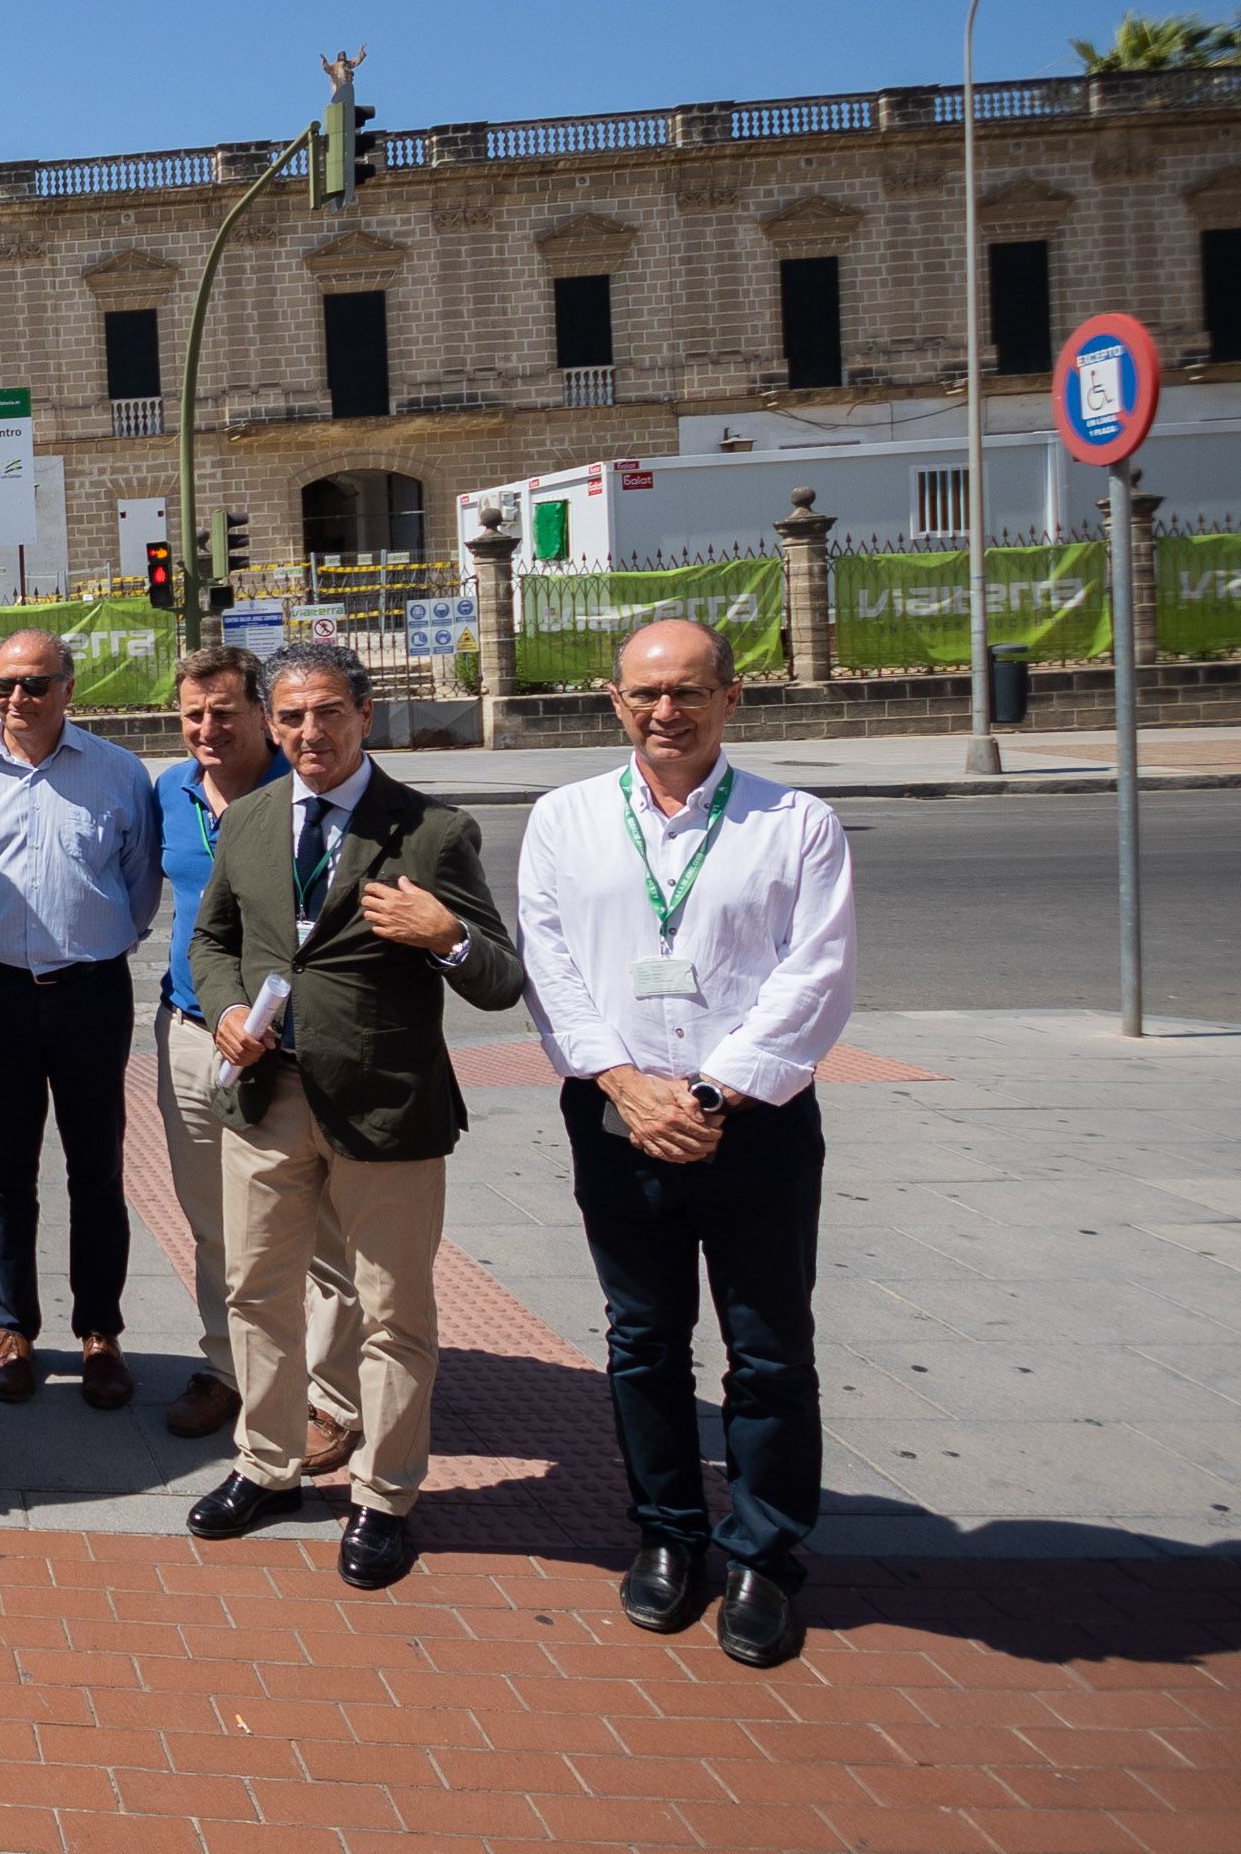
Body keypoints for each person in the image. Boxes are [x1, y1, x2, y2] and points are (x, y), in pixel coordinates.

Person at [516, 619, 855, 1669]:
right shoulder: (564, 819)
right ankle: (668, 1533)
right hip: (616, 1122)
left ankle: (764, 1553)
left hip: (752, 1126)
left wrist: (707, 1092)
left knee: (767, 1349)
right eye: (647, 693)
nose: (668, 711)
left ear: (732, 699)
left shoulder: (796, 824)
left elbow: (817, 976)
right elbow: (549, 964)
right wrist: (625, 1084)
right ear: (614, 700)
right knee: (644, 1341)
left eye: (690, 691)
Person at [188, 642, 522, 1590]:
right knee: (257, 1293)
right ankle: (268, 1466)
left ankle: (384, 1496)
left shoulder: (430, 831)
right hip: (267, 1100)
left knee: (392, 1311)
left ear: (365, 715)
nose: (307, 734)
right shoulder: (250, 820)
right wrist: (221, 1010)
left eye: (326, 713)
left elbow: (503, 980)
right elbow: (214, 940)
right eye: (289, 717)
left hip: (385, 1109)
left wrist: (447, 937)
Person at [0, 626, 161, 1411]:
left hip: (91, 993)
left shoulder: (120, 775)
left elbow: (138, 888)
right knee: (4, 1172)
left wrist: (87, 943)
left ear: (68, 687)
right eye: (3, 686)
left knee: (97, 1169)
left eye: (34, 684)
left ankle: (100, 1333)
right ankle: (14, 1328)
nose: (16, 699)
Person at [149, 646, 366, 1462]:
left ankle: (332, 1398)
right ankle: (230, 1369)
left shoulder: (304, 785)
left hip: (295, 1047)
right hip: (194, 1033)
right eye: (192, 714)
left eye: (224, 713)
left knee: (320, 1233)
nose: (207, 728)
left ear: (262, 718)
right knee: (214, 1220)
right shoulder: (167, 792)